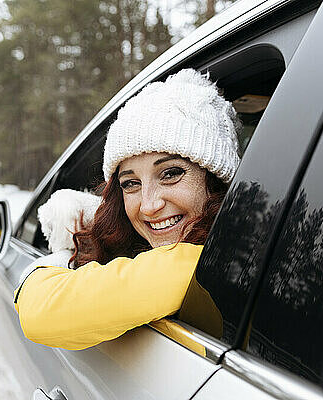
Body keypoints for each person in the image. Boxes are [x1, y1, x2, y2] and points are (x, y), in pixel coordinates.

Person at [13, 69, 241, 350]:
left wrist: (59, 256)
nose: (149, 205)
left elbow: (41, 312)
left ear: (216, 178)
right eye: (131, 183)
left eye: (170, 174)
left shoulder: (195, 263)